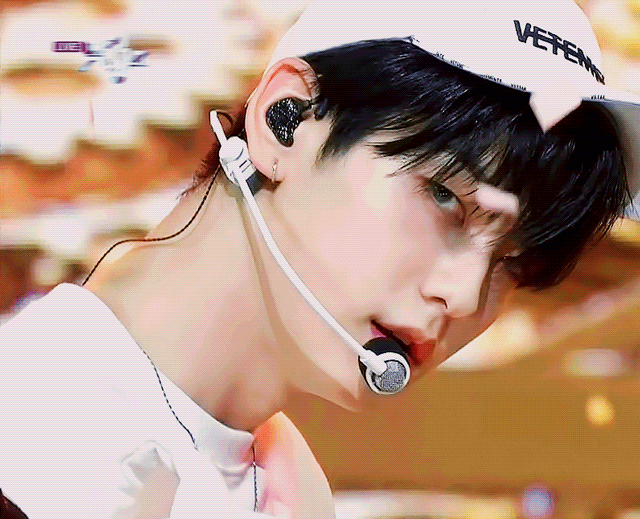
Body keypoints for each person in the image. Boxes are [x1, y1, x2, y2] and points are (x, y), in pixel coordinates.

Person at [1, 1, 639, 518]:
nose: (466, 295)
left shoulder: (285, 480)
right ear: (286, 120)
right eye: (446, 197)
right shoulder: (29, 422)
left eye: (514, 263)